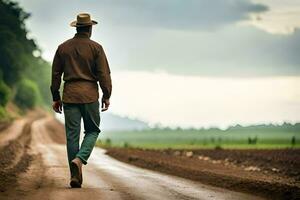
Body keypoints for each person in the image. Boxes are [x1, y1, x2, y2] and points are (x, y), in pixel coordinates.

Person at [50, 13, 112, 188]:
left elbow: (55, 75)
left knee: (72, 136)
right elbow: (103, 74)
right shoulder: (96, 48)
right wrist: (107, 95)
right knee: (92, 130)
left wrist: (56, 96)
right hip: (90, 95)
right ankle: (80, 159)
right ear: (90, 28)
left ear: (77, 27)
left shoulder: (63, 48)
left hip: (69, 95)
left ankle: (74, 177)